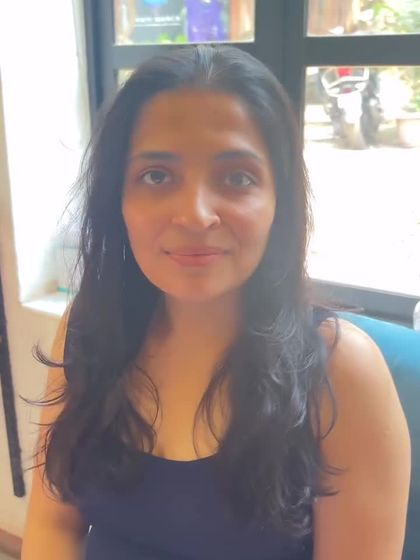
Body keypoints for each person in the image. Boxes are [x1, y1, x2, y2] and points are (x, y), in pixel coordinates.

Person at [21, 45, 411, 559]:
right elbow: (53, 527)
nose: (196, 214)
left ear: (278, 202)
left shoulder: (341, 371)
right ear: (118, 199)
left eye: (237, 178)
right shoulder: (90, 327)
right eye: (156, 175)